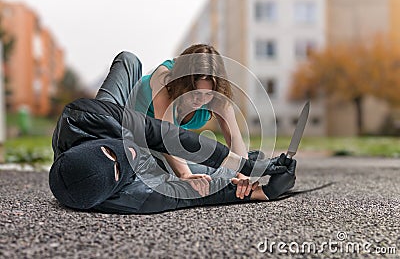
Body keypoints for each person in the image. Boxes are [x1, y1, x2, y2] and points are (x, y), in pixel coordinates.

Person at [49, 51, 297, 214]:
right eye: (119, 169)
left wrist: (244, 164)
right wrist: (260, 192)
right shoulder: (136, 198)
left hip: (115, 122)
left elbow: (163, 134)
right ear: (116, 189)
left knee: (129, 59)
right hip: (149, 163)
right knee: (208, 175)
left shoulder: (81, 117)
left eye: (111, 153)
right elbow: (188, 196)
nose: (130, 155)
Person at [104, 44, 249, 183]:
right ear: (182, 83)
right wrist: (185, 174)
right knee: (129, 59)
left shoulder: (217, 96)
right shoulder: (165, 79)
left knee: (218, 171)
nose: (201, 100)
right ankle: (94, 127)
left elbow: (234, 137)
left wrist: (244, 175)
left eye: (207, 94)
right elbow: (166, 133)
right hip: (121, 115)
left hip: (148, 143)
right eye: (195, 92)